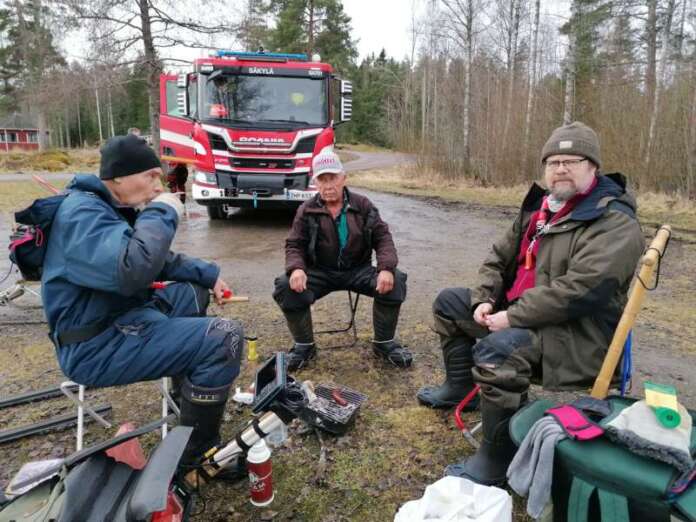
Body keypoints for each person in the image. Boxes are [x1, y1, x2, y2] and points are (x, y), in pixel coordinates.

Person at [416, 122, 644, 485]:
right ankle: (460, 389)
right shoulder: (540, 209)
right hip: (520, 317)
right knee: (450, 303)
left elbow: (580, 291)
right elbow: (497, 258)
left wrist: (512, 316)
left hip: (576, 336)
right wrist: (485, 299)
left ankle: (497, 458)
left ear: (593, 167)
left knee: (499, 351)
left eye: (572, 160)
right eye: (553, 161)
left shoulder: (614, 220)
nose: (561, 169)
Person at [42, 134, 244, 472]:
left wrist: (208, 275)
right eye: (150, 175)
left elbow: (156, 260)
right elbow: (133, 270)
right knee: (225, 337)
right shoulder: (82, 214)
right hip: (96, 345)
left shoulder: (106, 207)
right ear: (119, 176)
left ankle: (189, 395)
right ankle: (197, 455)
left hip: (121, 318)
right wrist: (162, 211)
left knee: (192, 292)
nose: (157, 184)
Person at [273, 149, 412, 370]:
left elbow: (383, 238)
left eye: (333, 178)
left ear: (343, 178)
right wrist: (297, 269)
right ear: (315, 182)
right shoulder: (306, 209)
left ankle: (384, 344)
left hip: (358, 270)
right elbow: (294, 244)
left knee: (396, 279)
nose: (328, 185)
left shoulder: (363, 205)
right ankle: (304, 346)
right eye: (322, 179)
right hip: (320, 271)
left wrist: (386, 267)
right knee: (285, 285)